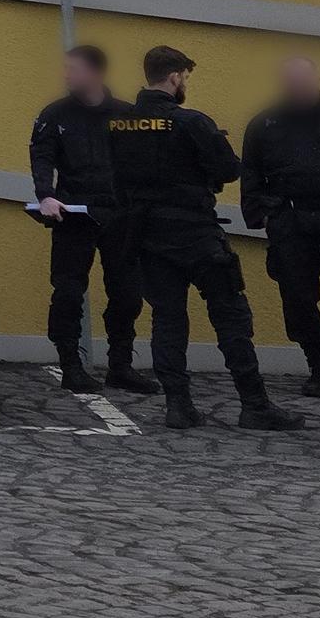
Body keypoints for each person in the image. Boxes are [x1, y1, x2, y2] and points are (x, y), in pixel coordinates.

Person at [100, 45, 298, 432]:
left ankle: (178, 404)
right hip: (195, 233)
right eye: (185, 77)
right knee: (231, 316)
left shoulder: (119, 124)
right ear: (175, 77)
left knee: (167, 319)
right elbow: (228, 169)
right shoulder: (191, 122)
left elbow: (113, 177)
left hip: (148, 236)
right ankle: (253, 403)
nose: (185, 84)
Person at [24, 45, 144, 396]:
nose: (66, 75)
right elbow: (41, 158)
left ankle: (120, 365)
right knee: (68, 292)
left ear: (95, 73)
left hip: (119, 215)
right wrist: (46, 195)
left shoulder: (125, 115)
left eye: (73, 69)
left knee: (127, 294)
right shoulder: (55, 115)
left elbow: (143, 162)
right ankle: (71, 366)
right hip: (73, 215)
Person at [235, 52, 320, 397]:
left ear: (316, 79)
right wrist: (263, 216)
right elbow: (251, 174)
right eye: (291, 82)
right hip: (291, 220)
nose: (297, 88)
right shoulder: (265, 123)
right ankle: (319, 366)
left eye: (303, 81)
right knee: (298, 298)